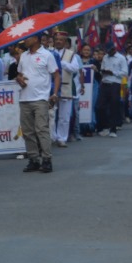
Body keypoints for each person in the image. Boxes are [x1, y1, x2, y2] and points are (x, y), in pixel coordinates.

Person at [16, 35, 60, 172]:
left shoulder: (47, 55)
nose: (25, 41)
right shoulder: (23, 56)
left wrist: (55, 93)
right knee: (28, 131)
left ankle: (47, 160)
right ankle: (33, 159)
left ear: (36, 39)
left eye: (28, 38)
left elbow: (56, 75)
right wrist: (20, 80)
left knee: (41, 129)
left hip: (41, 98)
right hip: (24, 98)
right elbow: (19, 74)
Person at [52, 33, 82, 149]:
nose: (58, 41)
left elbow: (75, 68)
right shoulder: (49, 52)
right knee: (51, 115)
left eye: (61, 40)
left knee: (64, 116)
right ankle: (52, 137)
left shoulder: (71, 54)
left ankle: (61, 138)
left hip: (65, 87)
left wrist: (62, 63)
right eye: (56, 39)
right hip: (52, 87)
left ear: (65, 42)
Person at [96, 44, 127, 136]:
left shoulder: (121, 58)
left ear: (114, 49)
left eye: (110, 50)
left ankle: (113, 129)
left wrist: (113, 72)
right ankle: (105, 126)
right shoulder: (105, 57)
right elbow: (102, 69)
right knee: (100, 106)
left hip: (115, 83)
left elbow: (125, 72)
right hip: (104, 82)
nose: (108, 52)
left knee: (114, 106)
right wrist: (104, 71)